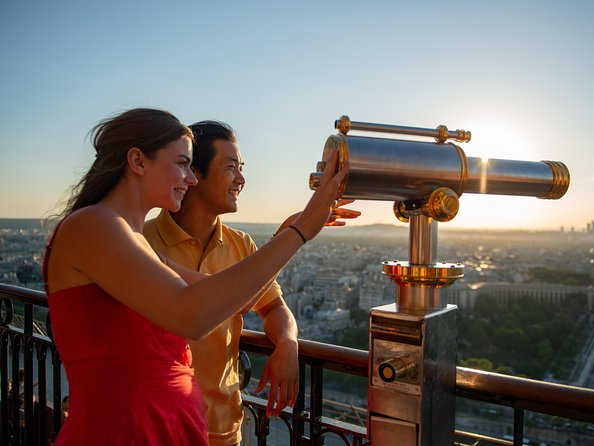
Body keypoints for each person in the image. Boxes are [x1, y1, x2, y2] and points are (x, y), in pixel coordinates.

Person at [43, 108, 350, 445]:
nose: (189, 179)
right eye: (181, 164)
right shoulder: (96, 226)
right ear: (138, 161)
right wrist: (301, 229)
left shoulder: (129, 239)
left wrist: (291, 234)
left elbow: (237, 300)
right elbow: (191, 315)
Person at [143, 121, 359, 445]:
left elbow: (272, 306)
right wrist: (293, 235)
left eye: (241, 168)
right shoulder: (142, 243)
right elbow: (227, 300)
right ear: (194, 174)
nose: (242, 180)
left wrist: (287, 341)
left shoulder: (241, 244)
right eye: (231, 168)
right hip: (158, 429)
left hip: (224, 428)